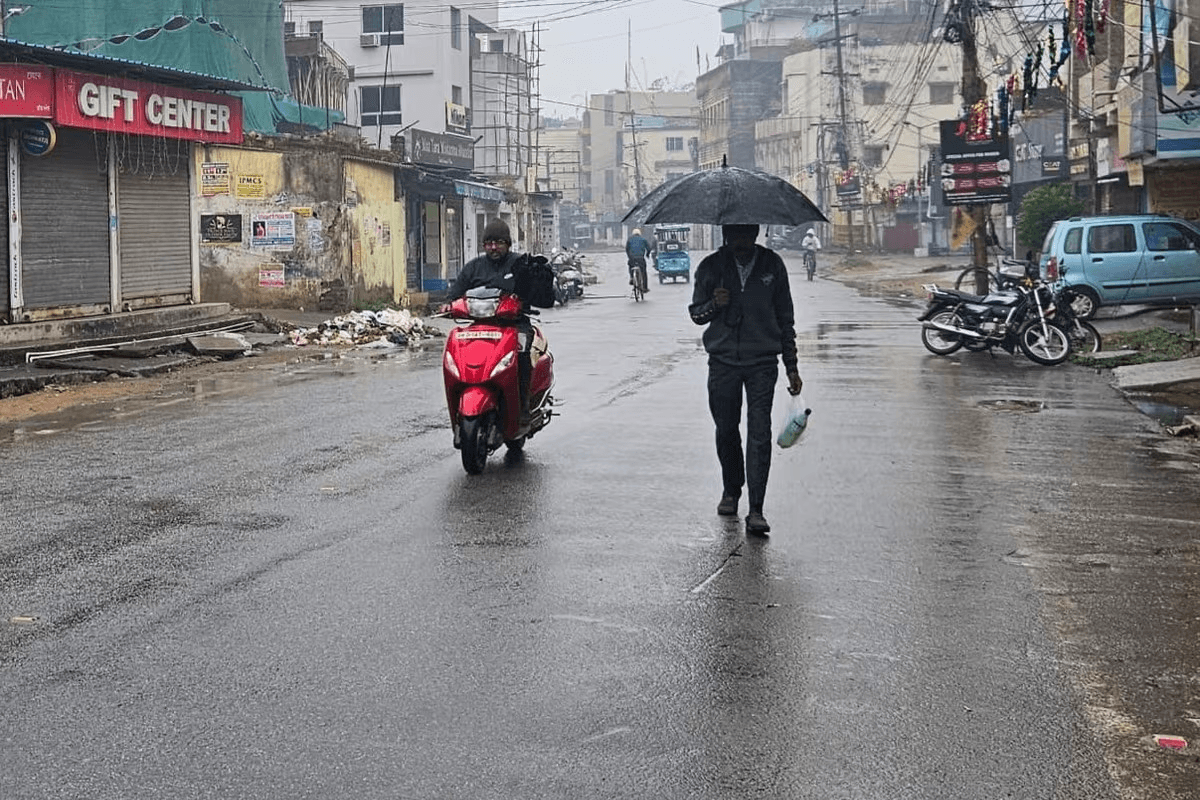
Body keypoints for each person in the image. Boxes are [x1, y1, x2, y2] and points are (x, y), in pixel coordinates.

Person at [688, 223, 803, 536]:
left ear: (756, 233)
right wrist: (715, 304)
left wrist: (791, 365)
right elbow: (696, 314)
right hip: (722, 363)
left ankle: (756, 509)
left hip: (762, 363)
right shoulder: (711, 267)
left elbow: (786, 319)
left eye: (747, 235)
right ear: (727, 234)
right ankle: (731, 489)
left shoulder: (772, 266)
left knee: (759, 433)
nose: (742, 241)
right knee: (726, 430)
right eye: (735, 235)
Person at [442, 219, 545, 424]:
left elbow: (533, 288)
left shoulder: (519, 263)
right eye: (489, 243)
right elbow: (457, 290)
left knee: (522, 354)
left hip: (513, 324)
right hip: (480, 324)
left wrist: (527, 297)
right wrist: (448, 303)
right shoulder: (474, 267)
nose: (493, 247)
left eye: (498, 242)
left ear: (507, 244)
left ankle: (523, 406)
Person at [625, 227, 653, 293]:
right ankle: (645, 288)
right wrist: (647, 255)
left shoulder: (629, 239)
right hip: (641, 258)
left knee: (630, 266)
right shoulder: (643, 239)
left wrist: (629, 257)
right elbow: (649, 248)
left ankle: (631, 277)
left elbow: (627, 249)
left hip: (632, 258)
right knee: (644, 273)